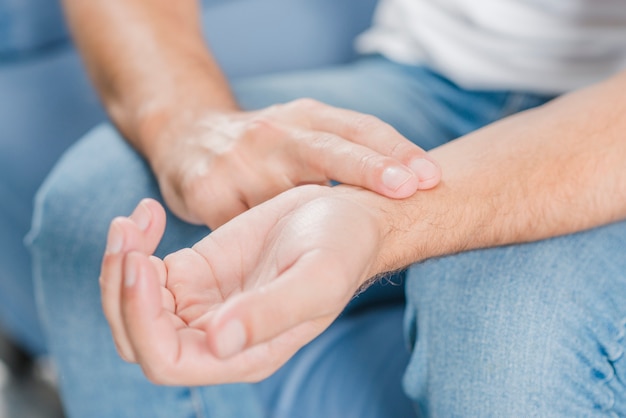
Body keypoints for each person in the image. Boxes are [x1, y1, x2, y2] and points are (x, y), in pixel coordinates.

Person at [29, 0, 626, 417]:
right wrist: (186, 124)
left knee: (504, 323)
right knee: (99, 206)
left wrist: (384, 221)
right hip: (435, 75)